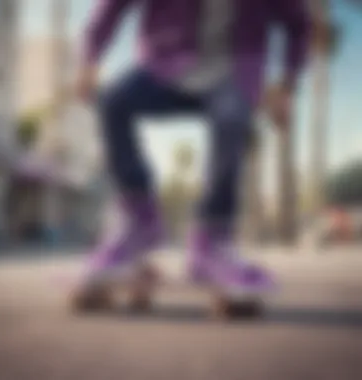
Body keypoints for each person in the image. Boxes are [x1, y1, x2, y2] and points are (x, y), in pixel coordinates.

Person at [74, 0, 310, 298]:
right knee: (114, 102)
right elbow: (112, 7)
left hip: (234, 72)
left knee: (231, 118)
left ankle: (212, 240)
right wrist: (89, 59)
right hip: (167, 63)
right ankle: (139, 220)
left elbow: (299, 24)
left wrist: (287, 86)